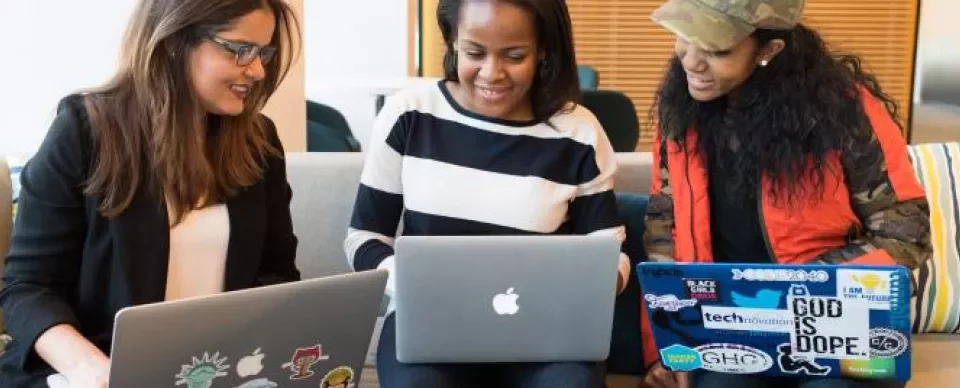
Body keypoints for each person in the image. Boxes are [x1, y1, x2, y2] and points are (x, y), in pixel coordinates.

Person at [0, 0, 301, 386]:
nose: (257, 69)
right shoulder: (84, 131)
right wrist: (92, 370)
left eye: (263, 52)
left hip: (213, 372)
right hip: (90, 371)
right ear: (174, 41)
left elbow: (278, 276)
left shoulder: (260, 143)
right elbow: (28, 288)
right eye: (240, 49)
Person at [638, 0, 933, 387]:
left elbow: (905, 232)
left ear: (768, 50)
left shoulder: (845, 112)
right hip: (730, 331)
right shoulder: (680, 112)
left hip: (837, 327)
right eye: (685, 38)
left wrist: (798, 287)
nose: (691, 61)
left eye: (717, 49)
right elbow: (665, 226)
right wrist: (669, 346)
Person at [343, 0, 630, 386]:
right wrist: (409, 282)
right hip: (429, 321)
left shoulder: (577, 132)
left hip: (546, 330)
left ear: (543, 48)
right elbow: (364, 238)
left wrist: (601, 282)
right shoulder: (410, 114)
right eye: (474, 52)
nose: (492, 74)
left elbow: (609, 250)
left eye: (514, 56)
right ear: (452, 43)